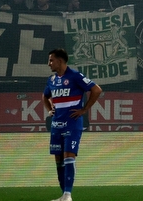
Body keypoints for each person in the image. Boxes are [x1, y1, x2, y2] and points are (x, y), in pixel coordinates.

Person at [43, 47, 102, 201]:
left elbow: (96, 90)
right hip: (57, 124)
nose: (49, 63)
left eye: (51, 60)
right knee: (58, 160)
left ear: (60, 61)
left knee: (69, 155)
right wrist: (50, 109)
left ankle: (68, 195)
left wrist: (84, 109)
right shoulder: (52, 80)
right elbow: (45, 96)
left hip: (72, 123)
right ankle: (64, 195)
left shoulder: (75, 76)